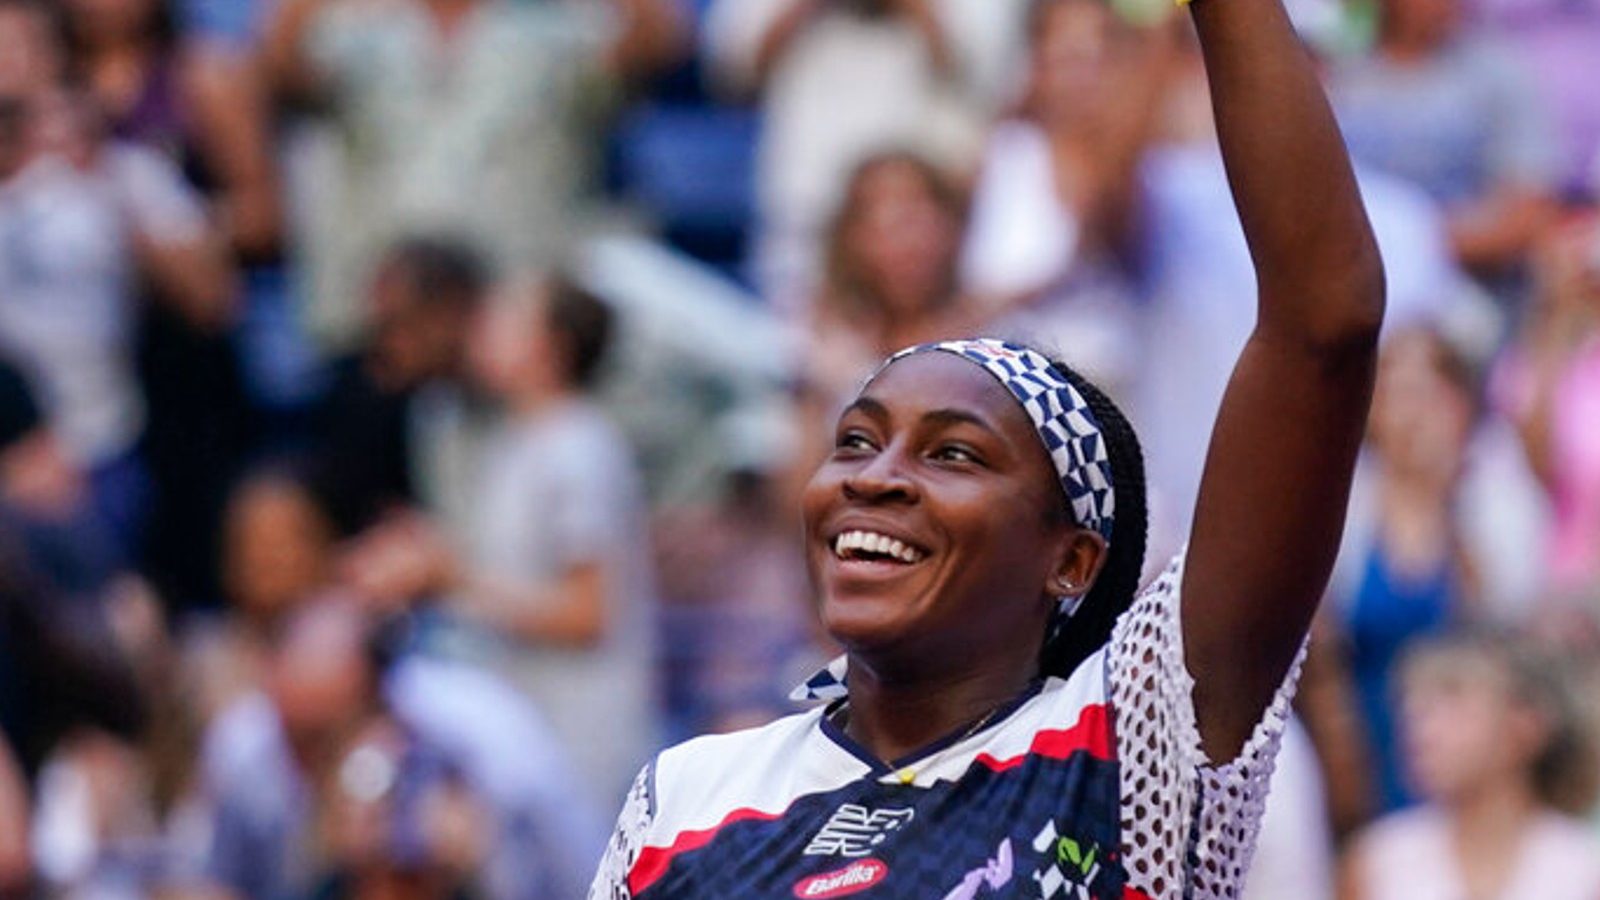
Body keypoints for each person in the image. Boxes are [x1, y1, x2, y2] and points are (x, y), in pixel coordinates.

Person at [589, 0, 1386, 892]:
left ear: (1074, 559)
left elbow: (1325, 327)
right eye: (854, 442)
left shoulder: (1133, 746)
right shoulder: (684, 796)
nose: (875, 480)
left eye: (954, 454)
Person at [1342, 632, 1600, 900]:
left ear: (1526, 725)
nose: (1419, 722)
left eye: (1452, 695)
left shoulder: (1583, 870)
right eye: (1412, 701)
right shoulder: (1377, 862)